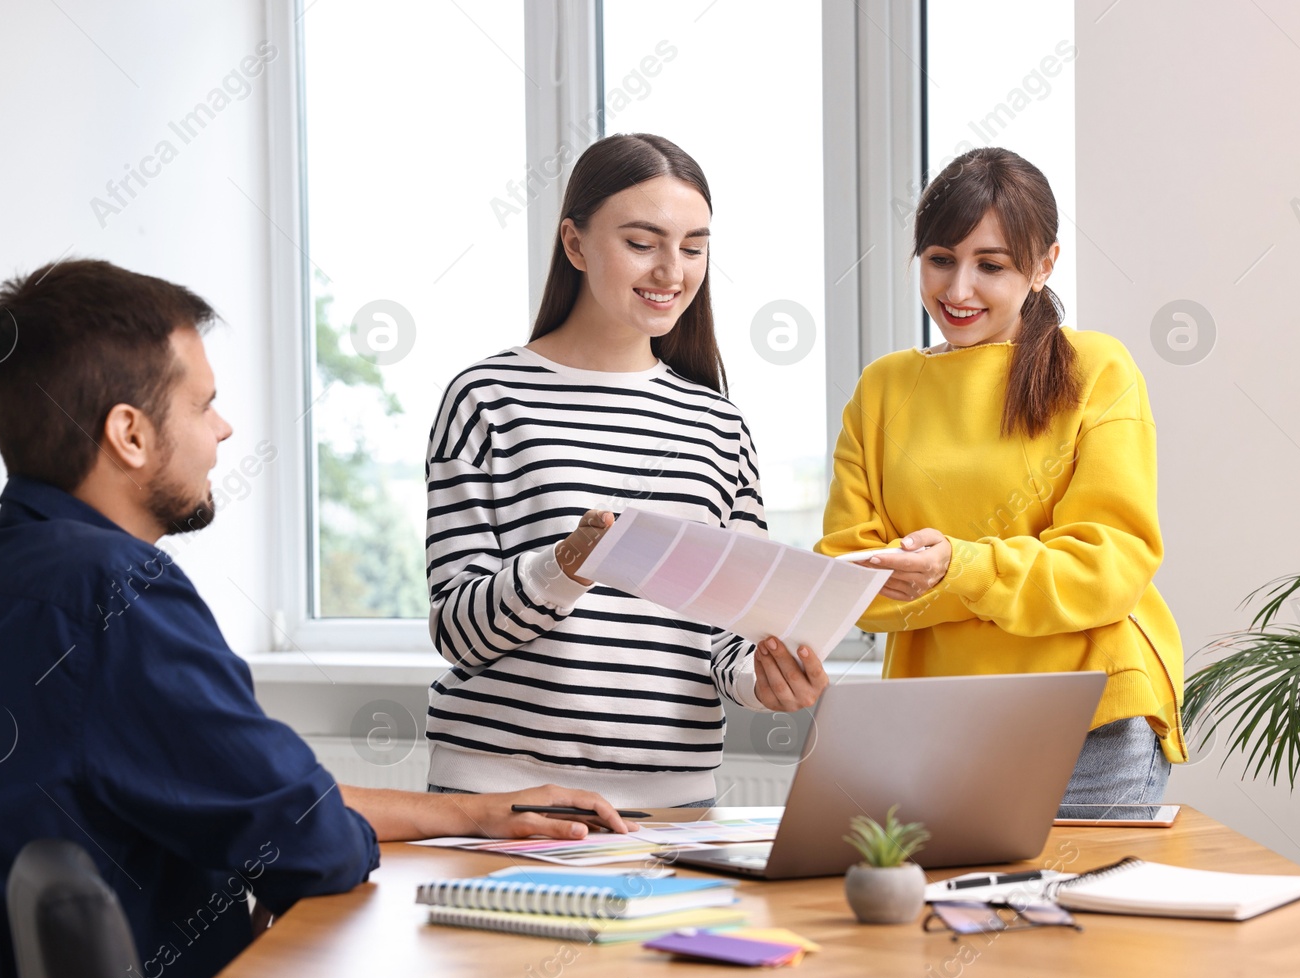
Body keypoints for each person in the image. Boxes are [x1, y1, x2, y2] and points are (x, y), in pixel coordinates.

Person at [0, 259, 630, 978]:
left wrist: (470, 812)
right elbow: (310, 839)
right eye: (204, 404)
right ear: (129, 433)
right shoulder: (116, 591)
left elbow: (263, 803)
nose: (223, 430)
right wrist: (326, 830)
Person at [423, 133, 829, 809]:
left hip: (673, 805)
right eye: (643, 243)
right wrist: (566, 565)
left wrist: (770, 679)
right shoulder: (486, 399)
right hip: (500, 795)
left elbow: (731, 641)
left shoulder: (718, 426)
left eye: (694, 247)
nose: (672, 270)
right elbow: (455, 630)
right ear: (576, 245)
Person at [816, 147, 1186, 804]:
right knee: (941, 912)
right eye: (939, 260)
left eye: (991, 265)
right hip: (935, 725)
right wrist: (944, 576)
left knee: (1085, 909)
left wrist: (953, 569)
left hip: (1089, 719)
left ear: (1043, 265)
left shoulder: (1097, 370)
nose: (957, 291)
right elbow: (852, 582)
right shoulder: (883, 389)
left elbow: (1107, 569)